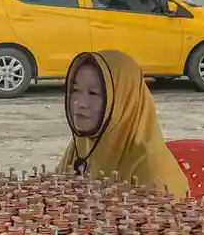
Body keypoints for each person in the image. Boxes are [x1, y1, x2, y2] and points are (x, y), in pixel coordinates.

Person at [59, 50, 190, 199]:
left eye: (93, 93)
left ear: (124, 100)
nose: (79, 103)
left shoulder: (152, 171)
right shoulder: (82, 144)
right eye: (76, 90)